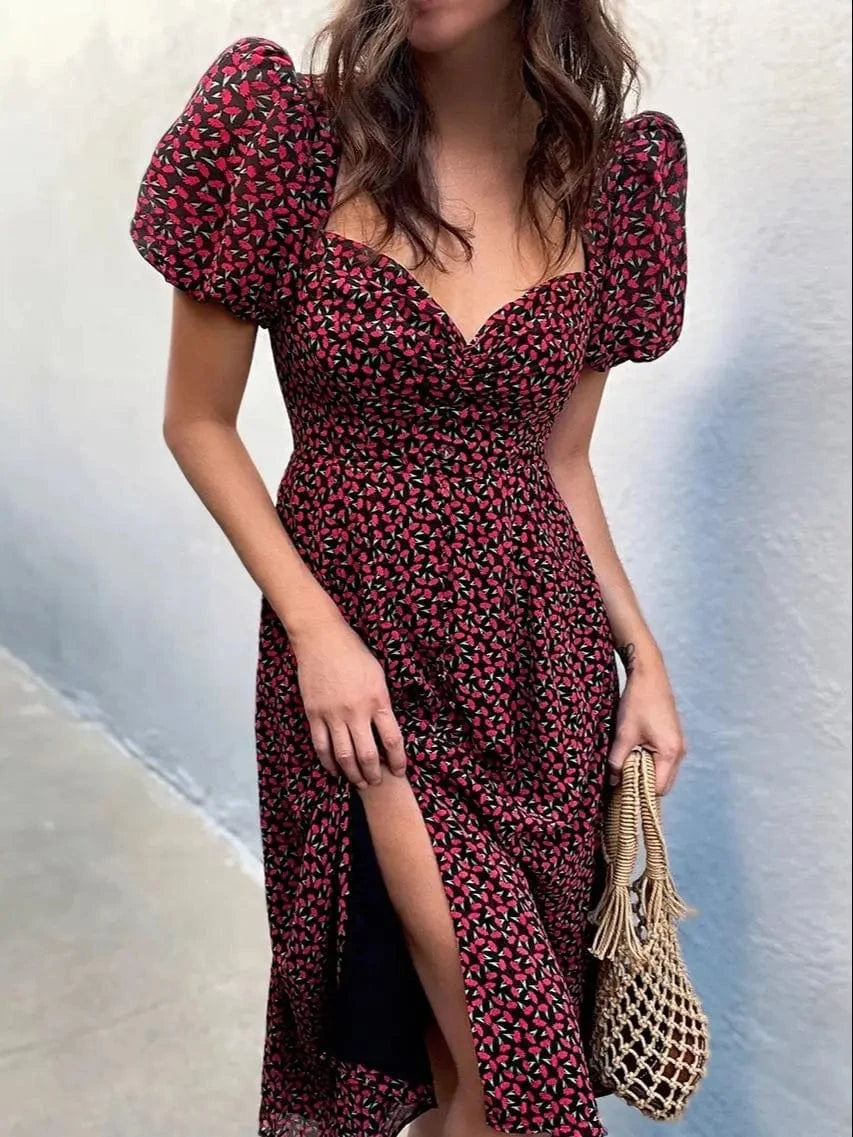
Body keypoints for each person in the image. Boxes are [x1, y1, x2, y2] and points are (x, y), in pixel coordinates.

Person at [128, 3, 689, 1135]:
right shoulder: (286, 137)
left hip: (539, 673)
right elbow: (198, 422)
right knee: (517, 1074)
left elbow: (562, 462)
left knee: (470, 1081)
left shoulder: (604, 181)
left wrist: (643, 658)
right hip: (366, 681)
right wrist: (315, 631)